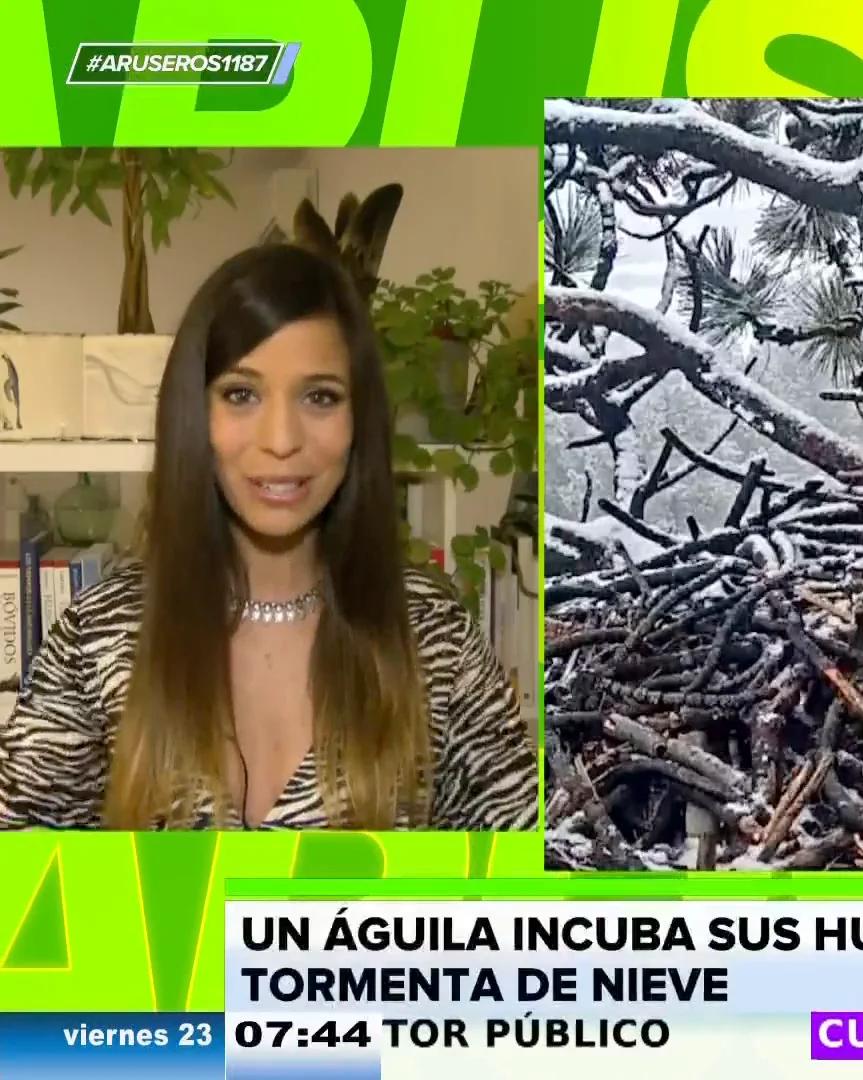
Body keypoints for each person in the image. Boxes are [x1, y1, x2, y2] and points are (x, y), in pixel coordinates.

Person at [0, 243, 537, 831]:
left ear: (360, 420)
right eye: (241, 394)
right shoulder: (98, 635)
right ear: (193, 413)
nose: (281, 440)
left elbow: (518, 897)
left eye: (320, 396)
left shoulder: (436, 640)